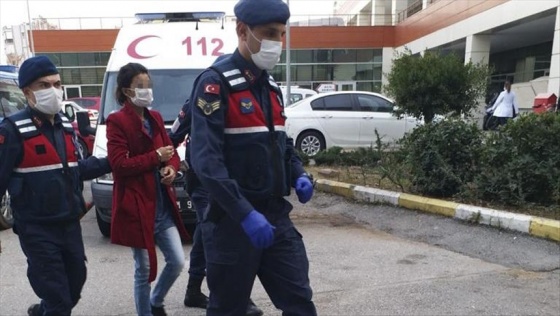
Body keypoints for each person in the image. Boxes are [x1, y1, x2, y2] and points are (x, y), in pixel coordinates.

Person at [188, 0, 318, 314]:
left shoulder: (271, 88)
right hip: (234, 221)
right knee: (229, 309)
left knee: (300, 302)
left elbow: (282, 145)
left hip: (274, 217)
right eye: (270, 33)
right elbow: (205, 160)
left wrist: (298, 172)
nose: (277, 42)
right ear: (242, 31)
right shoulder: (215, 84)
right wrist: (244, 213)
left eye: (282, 34)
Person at [0, 55, 112, 316]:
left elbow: (77, 169)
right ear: (27, 92)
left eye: (57, 83)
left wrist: (112, 162)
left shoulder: (64, 126)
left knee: (75, 284)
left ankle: (42, 312)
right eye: (44, 85)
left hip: (70, 224)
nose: (53, 90)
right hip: (36, 228)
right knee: (59, 299)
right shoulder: (12, 131)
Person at [168, 54, 263, 316]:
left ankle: (194, 289)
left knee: (206, 234)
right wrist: (168, 164)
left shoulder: (243, 101)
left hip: (231, 184)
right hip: (202, 183)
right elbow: (172, 137)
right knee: (214, 235)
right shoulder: (196, 103)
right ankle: (231, 298)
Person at [106, 62, 190, 316]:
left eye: (148, 85)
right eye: (139, 86)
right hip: (136, 205)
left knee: (176, 261)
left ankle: (156, 300)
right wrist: (155, 157)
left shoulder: (153, 118)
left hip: (161, 204)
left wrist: (172, 168)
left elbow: (171, 152)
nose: (146, 90)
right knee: (143, 270)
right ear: (125, 91)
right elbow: (119, 165)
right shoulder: (116, 121)